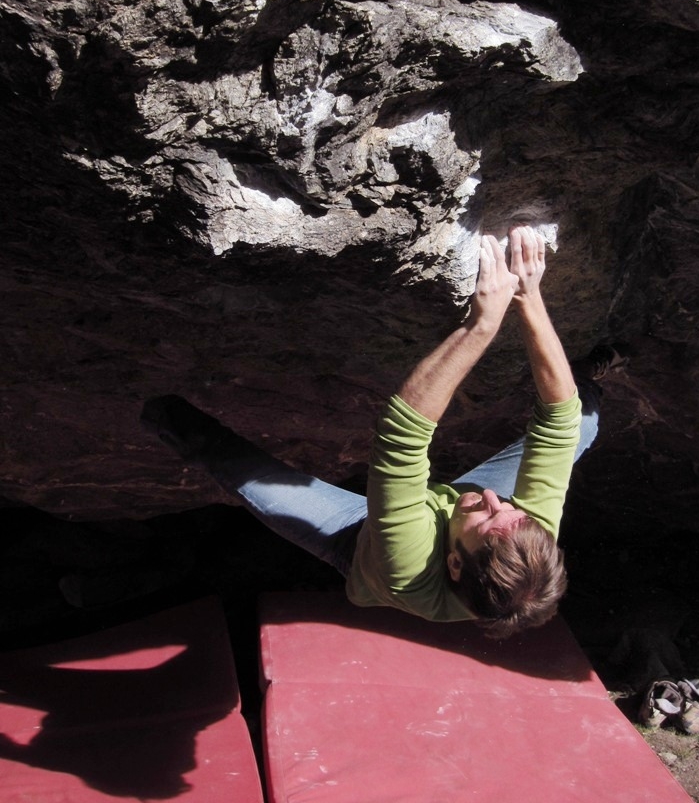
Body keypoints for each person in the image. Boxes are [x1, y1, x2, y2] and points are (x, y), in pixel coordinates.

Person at [143, 226, 616, 639]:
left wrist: (482, 323)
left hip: (356, 539)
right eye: (511, 512)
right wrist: (528, 296)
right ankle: (589, 376)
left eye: (489, 518)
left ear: (454, 564)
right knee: (582, 422)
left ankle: (152, 404)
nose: (497, 500)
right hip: (440, 523)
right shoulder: (526, 532)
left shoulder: (405, 565)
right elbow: (557, 423)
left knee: (246, 473)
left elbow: (401, 437)